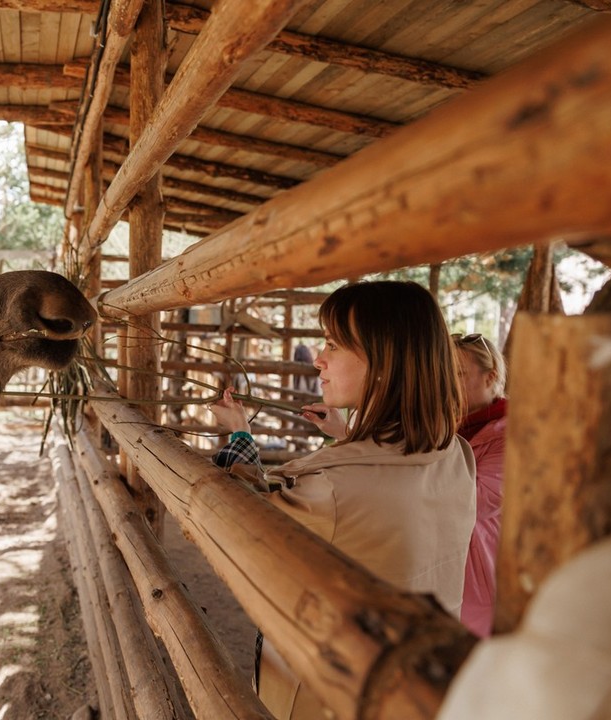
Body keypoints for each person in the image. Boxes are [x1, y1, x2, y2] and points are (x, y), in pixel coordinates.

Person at [209, 280, 477, 719]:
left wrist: (239, 435)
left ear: (382, 363)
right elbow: (385, 484)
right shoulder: (455, 455)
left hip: (323, 697)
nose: (318, 359)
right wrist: (347, 435)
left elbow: (233, 518)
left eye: (333, 344)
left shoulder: (331, 487)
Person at [453, 332, 508, 638]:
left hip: (482, 577)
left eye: (459, 374)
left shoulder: (511, 434)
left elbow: (480, 499)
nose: (448, 384)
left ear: (491, 376)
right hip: (446, 569)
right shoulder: (445, 425)